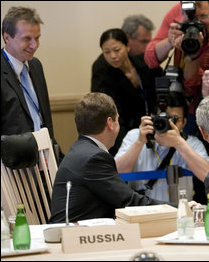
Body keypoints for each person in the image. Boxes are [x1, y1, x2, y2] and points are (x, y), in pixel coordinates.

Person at [50, 92, 164, 223]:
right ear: (110, 123)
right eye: (117, 119)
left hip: (79, 233)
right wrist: (179, 208)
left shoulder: (81, 150)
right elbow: (129, 201)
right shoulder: (94, 158)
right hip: (75, 237)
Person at [145, 1, 209, 135]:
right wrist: (169, 42)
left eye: (203, 17)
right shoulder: (176, 14)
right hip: (181, 102)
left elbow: (195, 86)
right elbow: (150, 60)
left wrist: (192, 55)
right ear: (181, 11)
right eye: (190, 18)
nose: (197, 23)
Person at [115, 92, 209, 202]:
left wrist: (179, 143)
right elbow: (116, 173)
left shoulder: (191, 143)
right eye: (163, 118)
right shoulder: (135, 136)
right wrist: (139, 142)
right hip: (142, 211)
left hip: (179, 212)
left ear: (184, 122)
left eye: (175, 119)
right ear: (152, 117)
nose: (169, 124)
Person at [1, 6, 62, 162]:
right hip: (12, 166)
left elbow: (44, 118)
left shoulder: (35, 66)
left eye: (37, 38)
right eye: (27, 39)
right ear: (7, 37)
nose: (34, 45)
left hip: (45, 159)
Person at [91, 28, 162, 156]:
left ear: (127, 47)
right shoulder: (102, 73)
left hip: (151, 126)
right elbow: (112, 114)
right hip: (122, 131)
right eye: (106, 52)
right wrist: (125, 148)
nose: (112, 56)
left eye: (117, 50)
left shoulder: (142, 63)